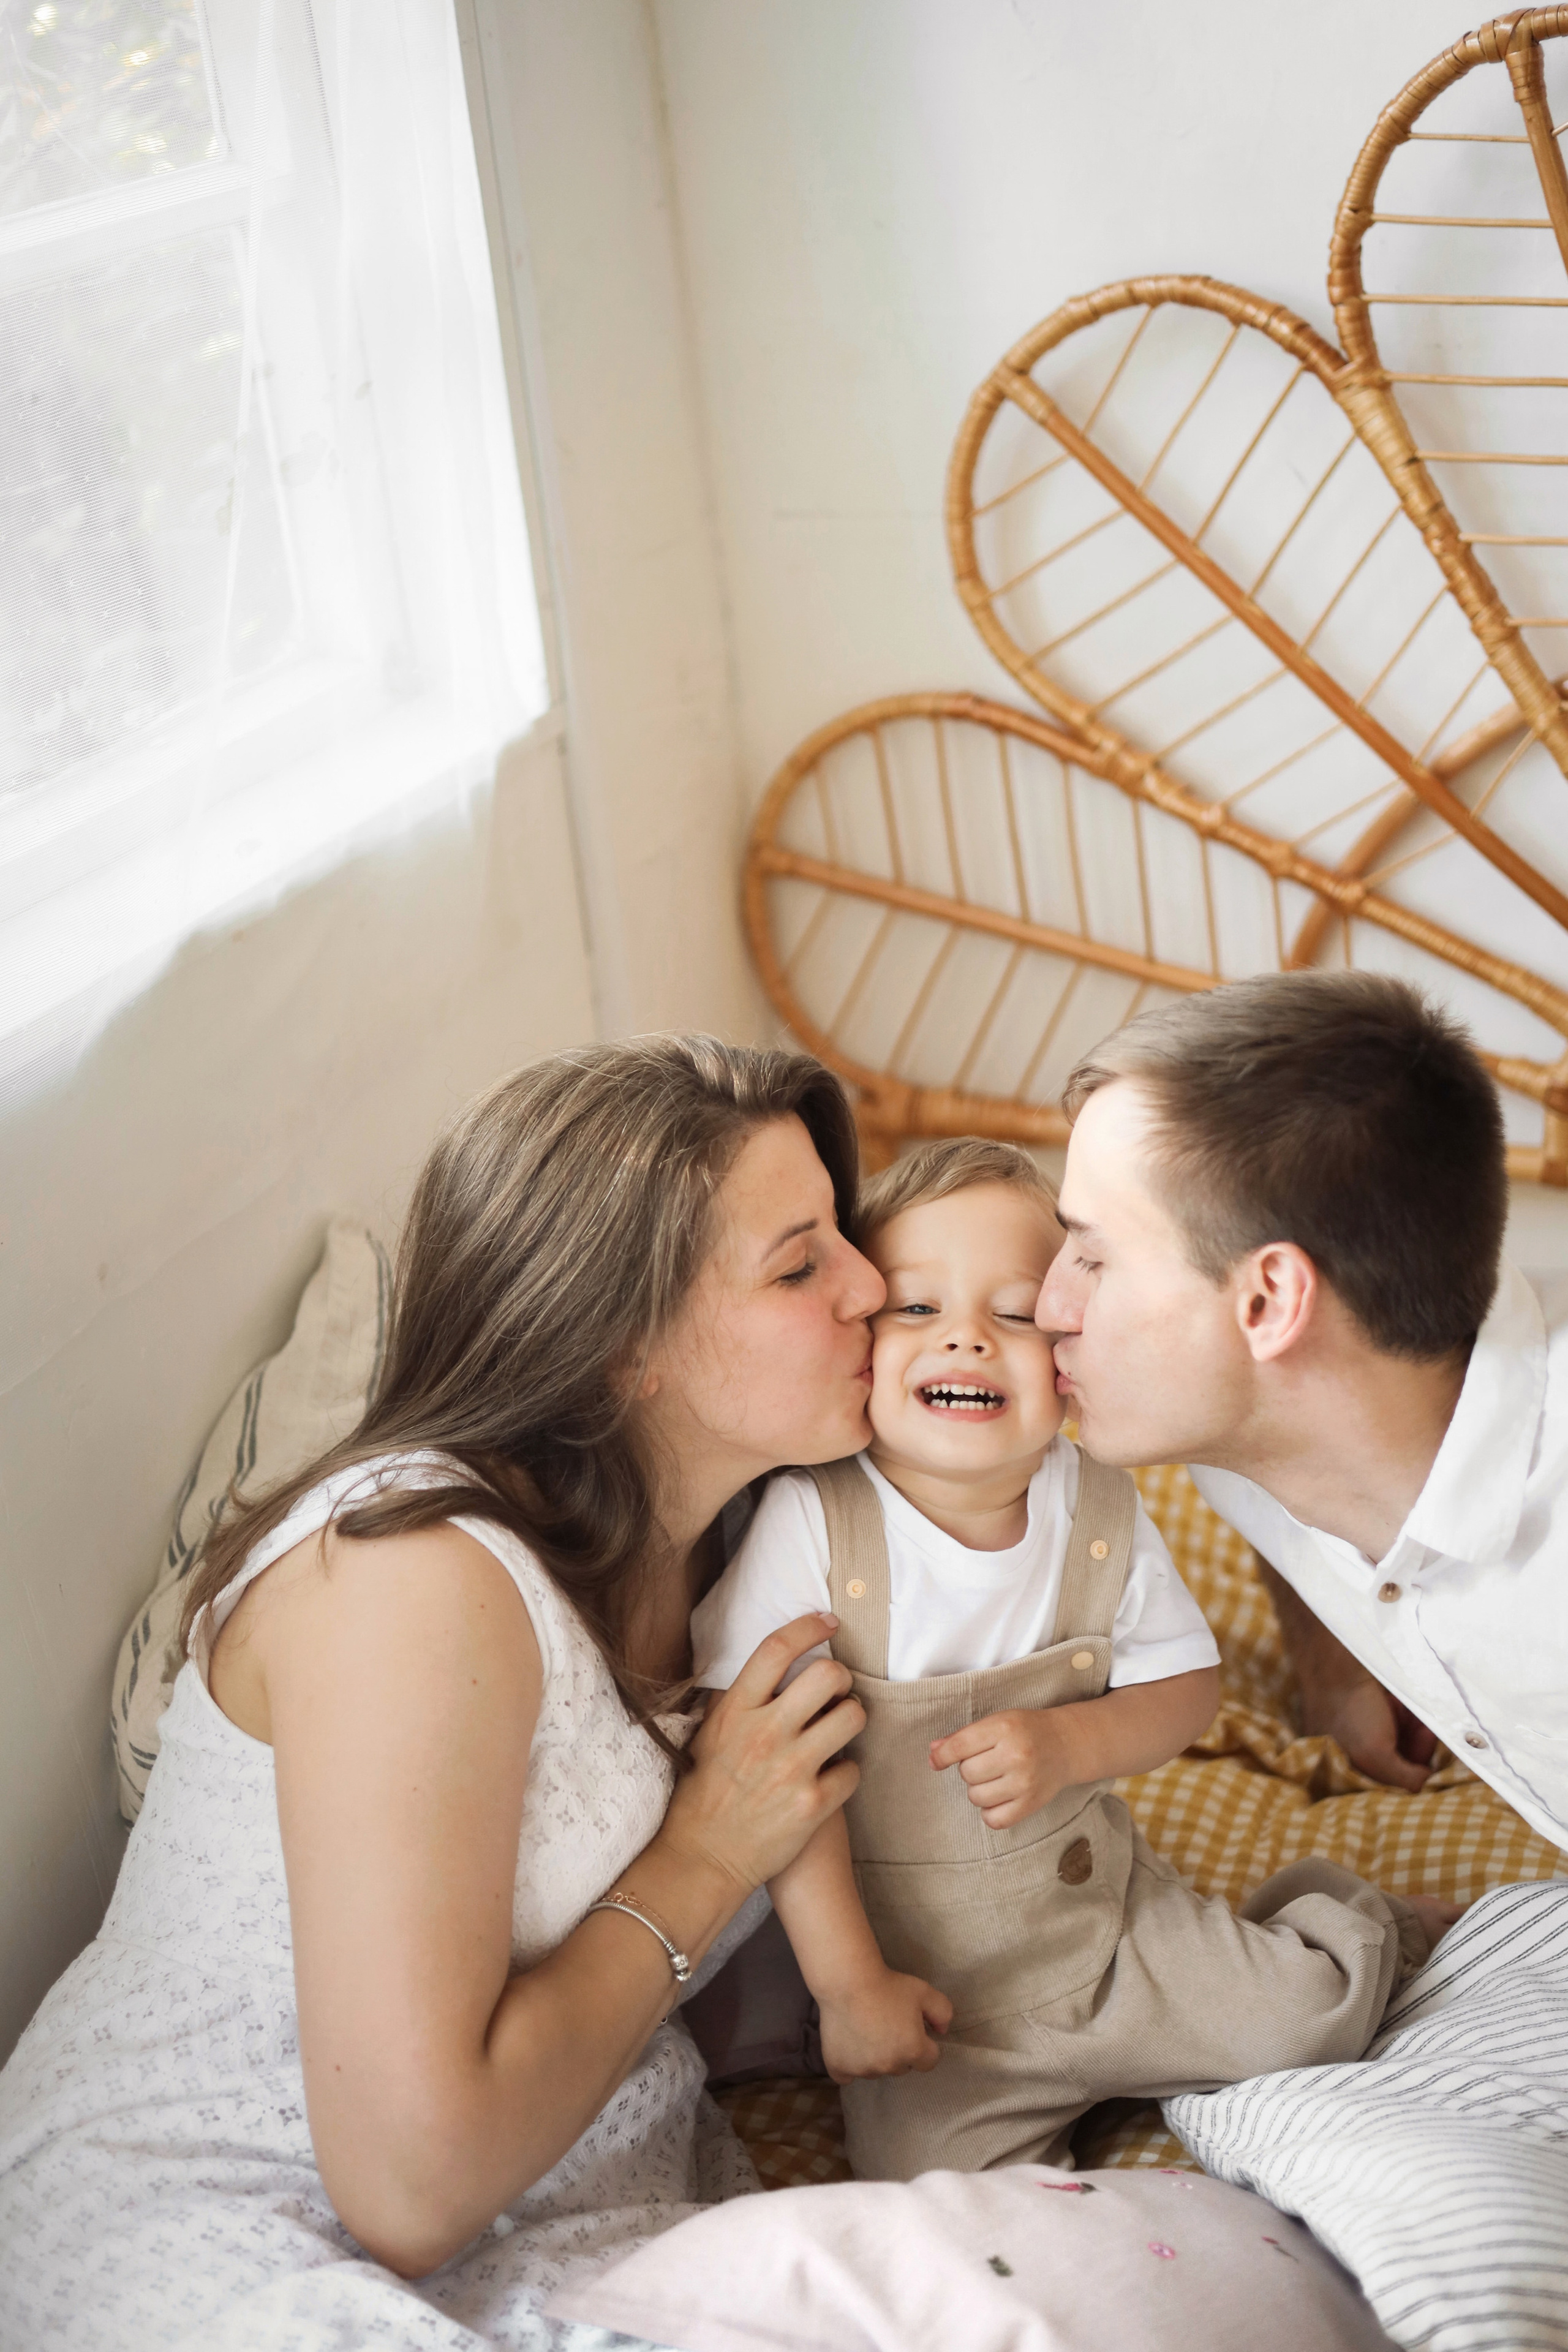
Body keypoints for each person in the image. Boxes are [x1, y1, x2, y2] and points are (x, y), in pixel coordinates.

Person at [0, 1036, 891, 2352]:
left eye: (844, 1236)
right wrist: (706, 1854)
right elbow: (409, 2188)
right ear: (617, 1352)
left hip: (567, 2217)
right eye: (799, 1261)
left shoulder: (764, 1542)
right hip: (230, 2220)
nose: (871, 1284)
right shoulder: (415, 1579)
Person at [693, 1137, 1449, 2184]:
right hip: (937, 2008)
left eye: (1012, 1313)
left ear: (1070, 1355)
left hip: (1106, 1937)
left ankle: (1358, 1923)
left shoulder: (1094, 1507)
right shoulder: (814, 1524)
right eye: (916, 1309)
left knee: (1307, 2023)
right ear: (861, 1345)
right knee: (937, 2201)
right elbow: (785, 1786)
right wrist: (850, 1989)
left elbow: (1188, 1689)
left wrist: (1073, 1740)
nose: (963, 1340)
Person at [1037, 970, 1567, 1853]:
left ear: (1271, 1301)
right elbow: (1268, 1487)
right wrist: (1329, 1655)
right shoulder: (1250, 1433)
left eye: (1094, 1258)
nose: (1051, 1305)